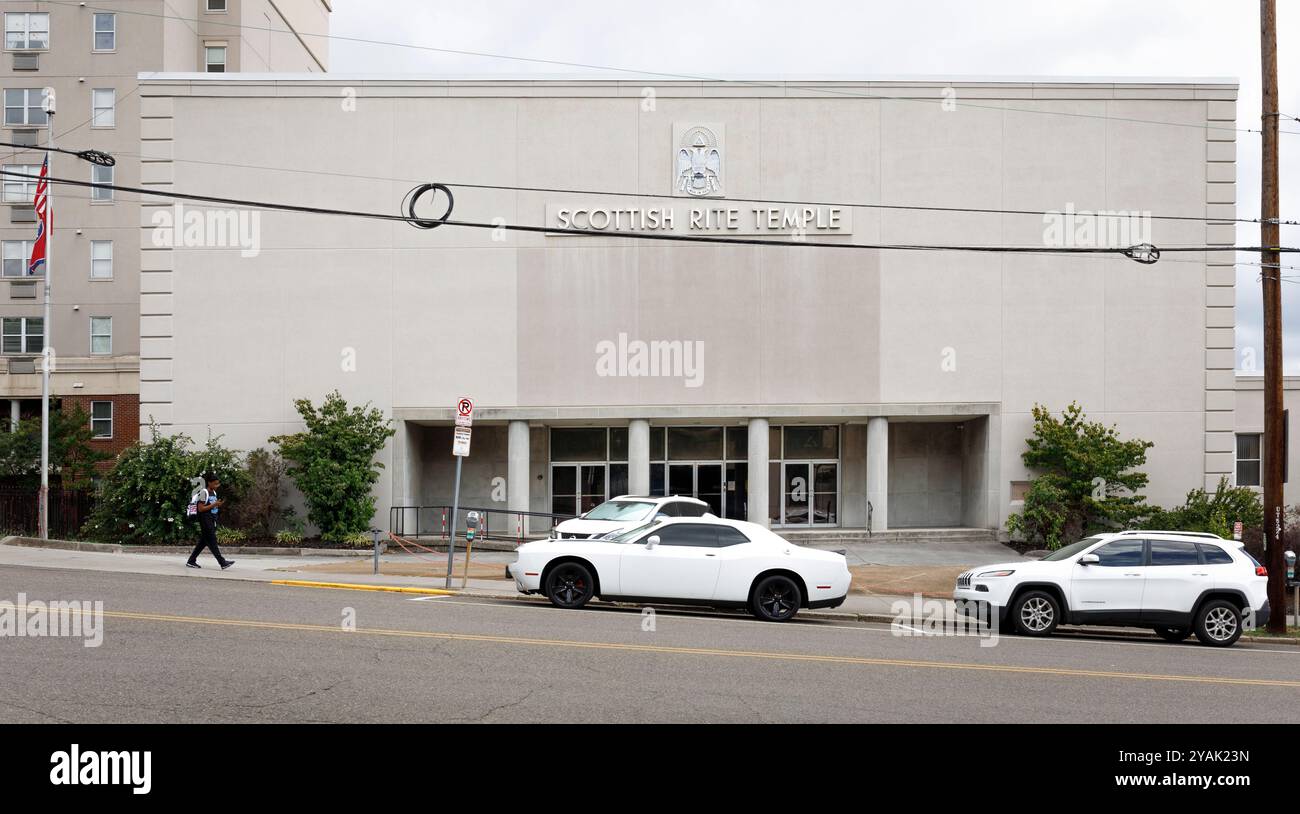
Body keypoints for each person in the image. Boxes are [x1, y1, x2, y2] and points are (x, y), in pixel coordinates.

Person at [186, 472, 235, 570]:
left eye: (218, 483)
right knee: (212, 541)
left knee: (203, 542)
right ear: (209, 483)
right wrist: (214, 504)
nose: (217, 485)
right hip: (205, 520)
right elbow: (201, 509)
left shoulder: (214, 492)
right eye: (215, 483)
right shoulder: (204, 493)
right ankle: (222, 562)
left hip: (211, 519)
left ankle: (191, 561)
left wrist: (217, 505)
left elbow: (212, 506)